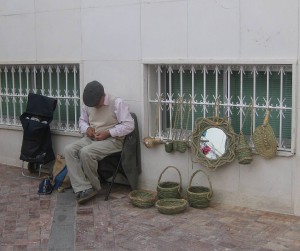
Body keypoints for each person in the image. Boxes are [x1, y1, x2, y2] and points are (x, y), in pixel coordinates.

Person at [64, 81, 134, 204]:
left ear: (103, 96)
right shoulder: (89, 104)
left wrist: (109, 133)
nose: (95, 106)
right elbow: (82, 122)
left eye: (97, 103)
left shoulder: (117, 103)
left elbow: (129, 125)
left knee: (86, 152)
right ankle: (83, 187)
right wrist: (87, 129)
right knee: (69, 150)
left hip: (113, 140)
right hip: (92, 138)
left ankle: (94, 187)